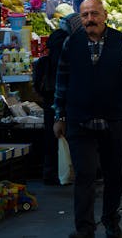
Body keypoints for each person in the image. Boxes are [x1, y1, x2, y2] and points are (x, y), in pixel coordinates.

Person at [53, 0, 122, 238]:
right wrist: (59, 115)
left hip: (112, 119)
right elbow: (61, 81)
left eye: (94, 14)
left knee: (114, 175)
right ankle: (84, 228)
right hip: (79, 119)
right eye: (84, 15)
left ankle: (111, 220)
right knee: (84, 175)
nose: (90, 20)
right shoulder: (71, 43)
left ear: (104, 15)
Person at [33, 12, 83, 185]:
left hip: (50, 95)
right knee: (65, 134)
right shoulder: (69, 42)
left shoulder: (55, 38)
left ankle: (51, 172)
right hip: (64, 94)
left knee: (52, 134)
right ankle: (66, 171)